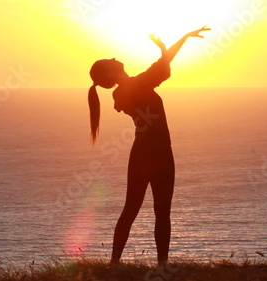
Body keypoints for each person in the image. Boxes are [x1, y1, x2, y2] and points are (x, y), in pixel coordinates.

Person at [87, 26, 211, 266]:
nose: (114, 58)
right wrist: (180, 40)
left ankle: (116, 264)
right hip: (159, 154)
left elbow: (161, 67)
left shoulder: (124, 92)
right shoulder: (136, 86)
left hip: (147, 153)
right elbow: (163, 65)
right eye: (109, 61)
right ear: (110, 75)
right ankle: (158, 265)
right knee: (158, 212)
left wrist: (167, 49)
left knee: (135, 210)